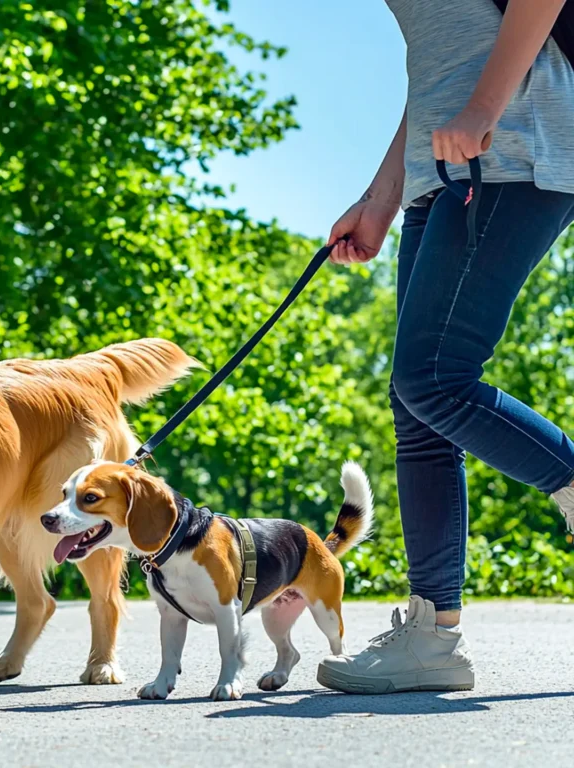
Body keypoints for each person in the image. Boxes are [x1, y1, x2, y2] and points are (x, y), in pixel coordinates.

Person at [316, 0, 574, 695]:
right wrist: (382, 193)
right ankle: (432, 636)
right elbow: (439, 58)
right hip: (446, 164)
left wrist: (486, 107)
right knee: (418, 405)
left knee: (433, 377)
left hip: (513, 142)